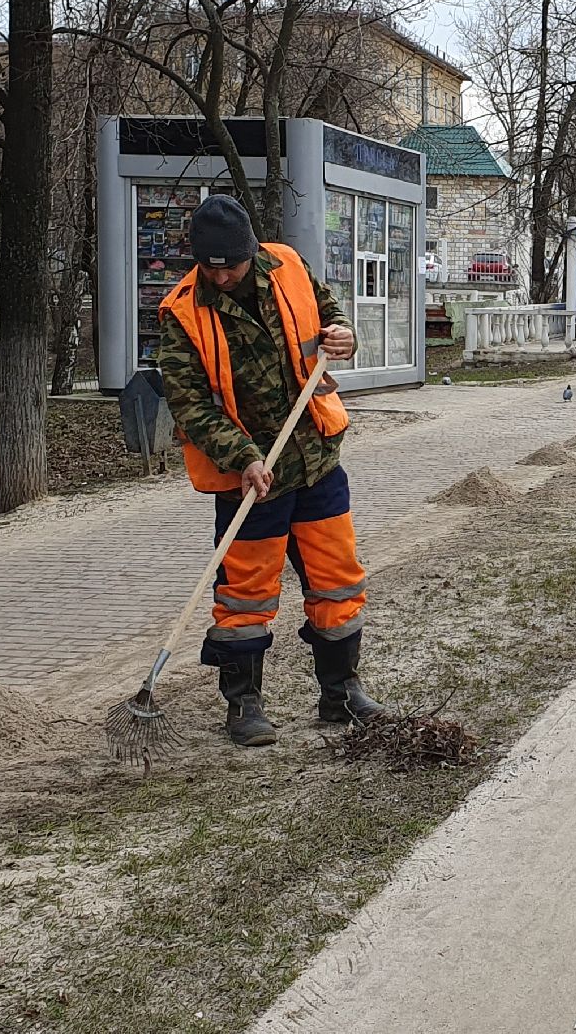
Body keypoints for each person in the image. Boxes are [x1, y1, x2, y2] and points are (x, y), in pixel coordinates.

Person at [154, 194, 390, 748]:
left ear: (250, 250)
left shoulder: (287, 265)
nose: (222, 275)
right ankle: (244, 705)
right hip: (249, 479)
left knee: (336, 578)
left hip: (314, 457)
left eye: (231, 265)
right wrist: (244, 457)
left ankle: (341, 691)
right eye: (211, 266)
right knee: (246, 594)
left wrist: (343, 336)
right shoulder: (182, 312)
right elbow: (191, 406)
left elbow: (329, 317)